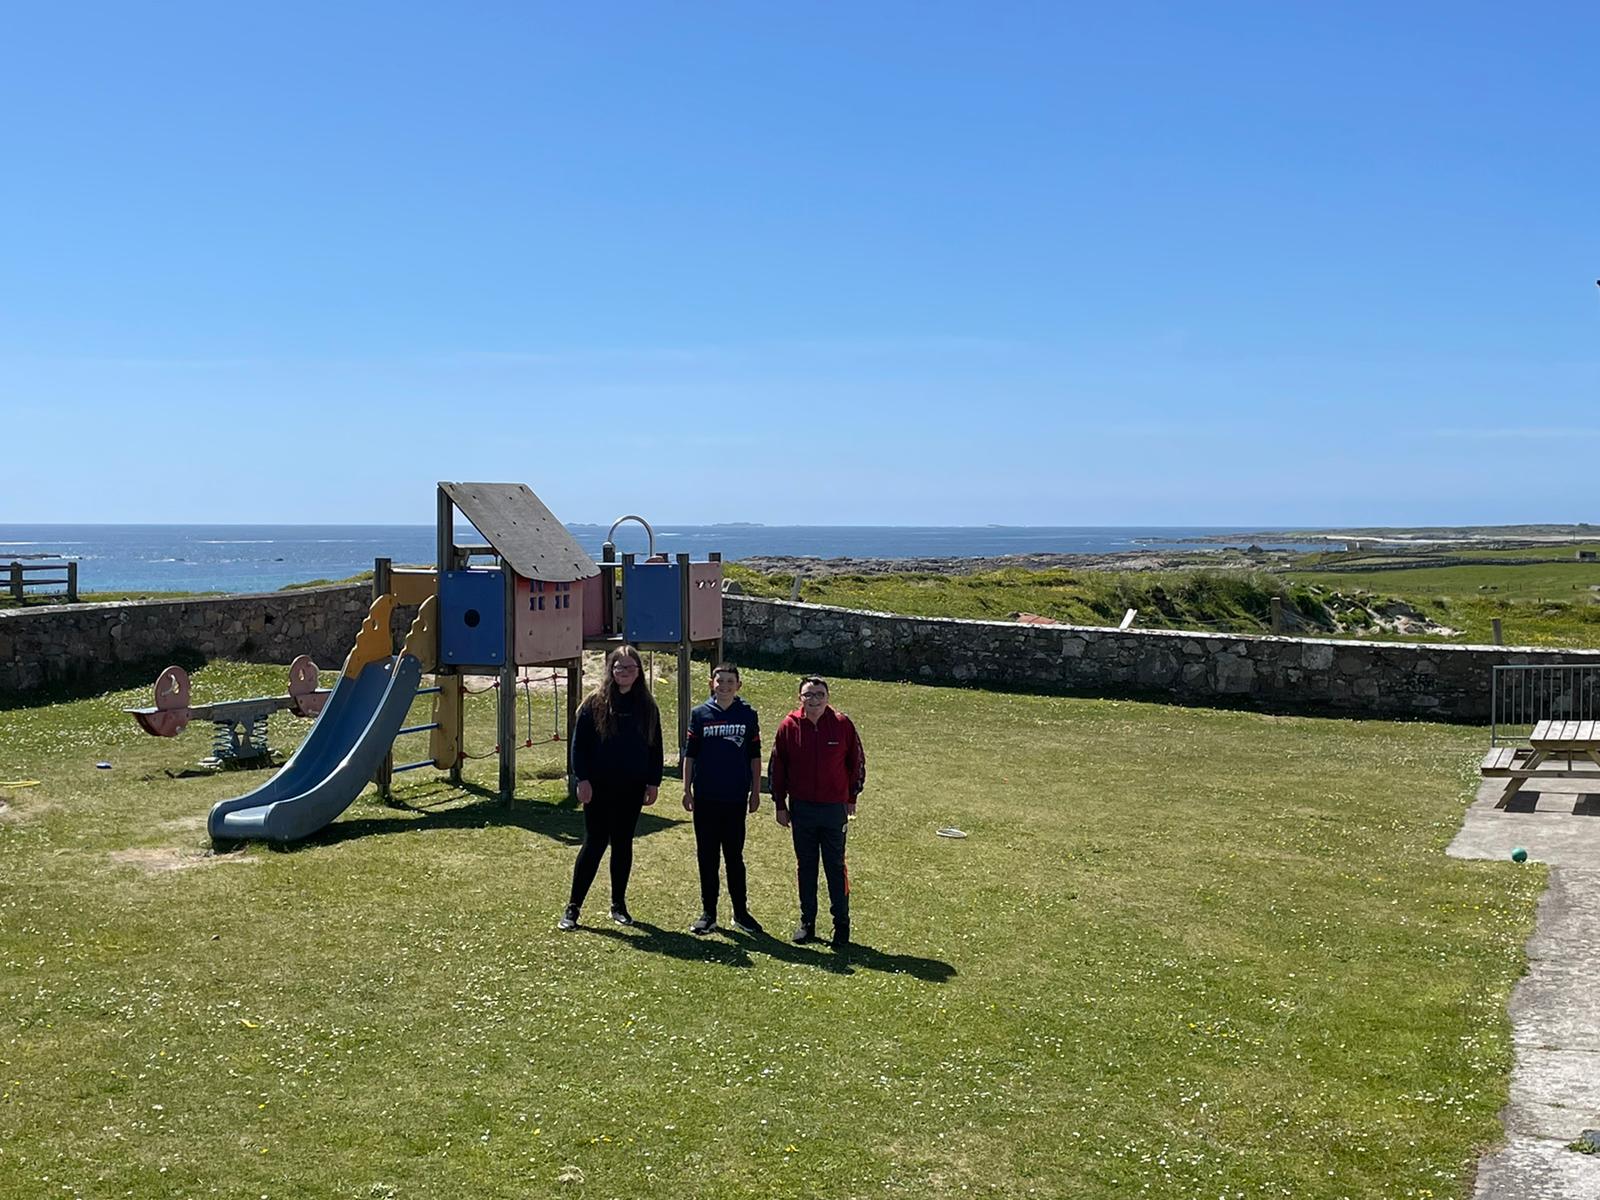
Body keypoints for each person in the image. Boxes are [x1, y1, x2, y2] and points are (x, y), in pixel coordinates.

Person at [560, 644, 662, 930]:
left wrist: (653, 782)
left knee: (622, 844)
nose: (625, 673)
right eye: (619, 668)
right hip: (598, 788)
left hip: (631, 788)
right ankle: (573, 907)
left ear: (639, 671)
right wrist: (583, 779)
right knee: (594, 844)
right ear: (611, 670)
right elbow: (579, 746)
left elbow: (655, 747)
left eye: (631, 668)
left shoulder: (647, 705)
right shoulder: (594, 703)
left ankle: (618, 905)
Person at [768, 676, 865, 948]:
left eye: (819, 694)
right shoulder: (789, 726)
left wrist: (852, 796)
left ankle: (841, 925)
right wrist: (780, 804)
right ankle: (807, 922)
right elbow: (777, 767)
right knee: (806, 867)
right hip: (802, 809)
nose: (814, 700)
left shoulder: (842, 724)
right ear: (800, 698)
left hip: (834, 808)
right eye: (808, 695)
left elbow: (856, 761)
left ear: (827, 697)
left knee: (835, 866)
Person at [682, 664, 764, 936]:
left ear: (738, 685)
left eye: (731, 681)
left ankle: (740, 913)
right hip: (706, 797)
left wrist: (755, 790)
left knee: (734, 857)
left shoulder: (748, 714)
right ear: (711, 683)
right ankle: (709, 913)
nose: (725, 685)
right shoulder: (700, 714)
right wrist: (686, 789)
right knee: (707, 856)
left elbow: (754, 755)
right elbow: (690, 755)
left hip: (735, 798)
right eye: (720, 681)